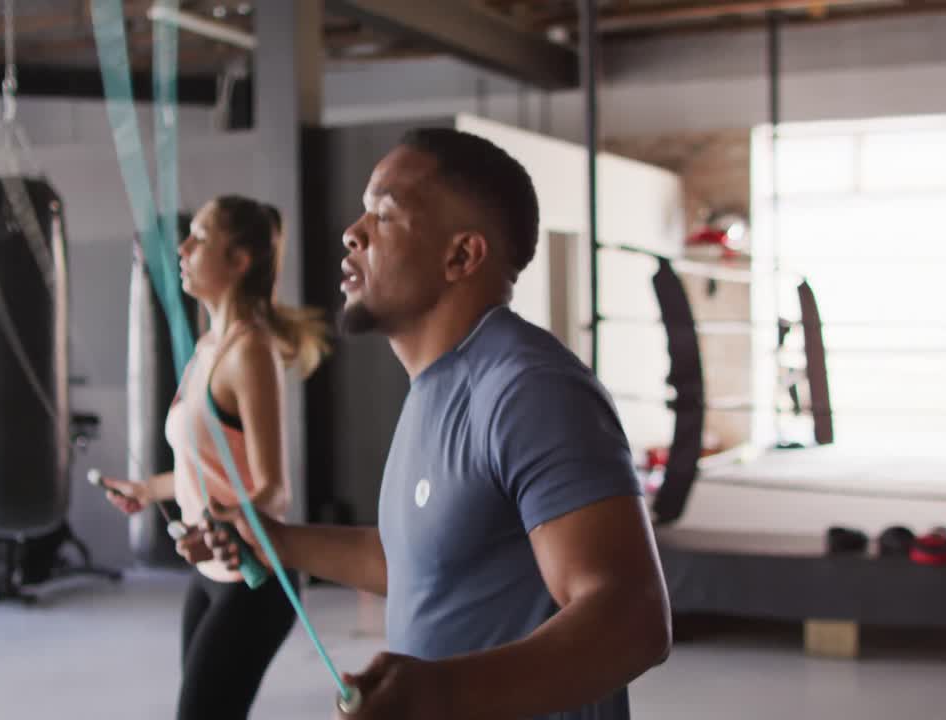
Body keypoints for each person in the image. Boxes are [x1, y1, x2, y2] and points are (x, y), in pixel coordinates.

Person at [207, 128, 672, 719]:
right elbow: (424, 560)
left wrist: (441, 693)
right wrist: (278, 541)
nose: (354, 232)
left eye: (385, 214)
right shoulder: (436, 387)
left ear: (462, 256)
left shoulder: (528, 388)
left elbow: (631, 618)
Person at [100, 195, 330, 720]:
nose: (183, 247)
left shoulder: (251, 351)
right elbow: (201, 466)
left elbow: (274, 489)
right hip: (210, 573)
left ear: (239, 261)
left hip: (255, 577)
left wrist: (225, 522)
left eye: (200, 238)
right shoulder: (208, 347)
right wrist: (145, 490)